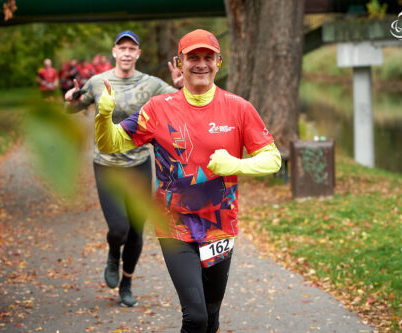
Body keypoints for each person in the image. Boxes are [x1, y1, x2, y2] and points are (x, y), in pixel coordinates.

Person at [94, 29, 281, 332]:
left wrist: (235, 163)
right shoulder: (158, 108)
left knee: (211, 316)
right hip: (174, 226)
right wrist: (104, 116)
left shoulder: (239, 108)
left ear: (219, 62)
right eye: (192, 57)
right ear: (179, 63)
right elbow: (111, 143)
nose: (201, 64)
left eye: (208, 57)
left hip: (220, 226)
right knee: (194, 317)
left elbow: (272, 159)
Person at [65, 30, 183, 307]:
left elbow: (181, 101)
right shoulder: (97, 82)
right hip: (107, 164)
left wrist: (180, 86)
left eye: (132, 48)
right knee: (119, 228)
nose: (127, 52)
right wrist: (69, 98)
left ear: (138, 54)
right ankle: (112, 252)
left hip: (140, 163)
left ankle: (126, 284)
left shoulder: (152, 84)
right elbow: (73, 106)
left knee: (137, 231)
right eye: (122, 48)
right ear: (115, 52)